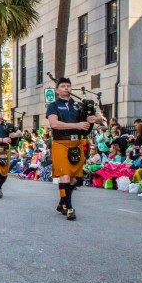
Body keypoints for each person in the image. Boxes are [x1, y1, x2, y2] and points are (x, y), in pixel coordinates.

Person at [46, 77, 102, 221]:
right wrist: (76, 125)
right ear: (57, 90)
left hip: (76, 143)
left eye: (68, 86)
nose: (66, 88)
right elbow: (54, 124)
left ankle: (62, 202)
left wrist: (94, 120)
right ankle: (69, 208)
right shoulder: (53, 106)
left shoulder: (78, 105)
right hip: (61, 143)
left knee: (73, 179)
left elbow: (100, 118)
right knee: (65, 175)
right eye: (63, 86)